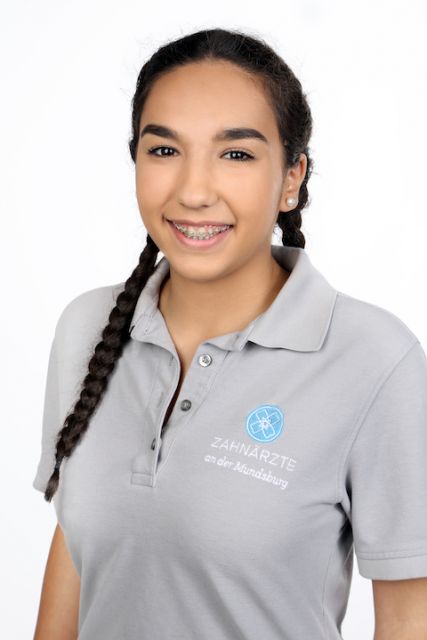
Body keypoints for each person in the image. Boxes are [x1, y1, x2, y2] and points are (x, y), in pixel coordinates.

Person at [32, 27, 427, 640]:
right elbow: (79, 543)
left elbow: (409, 620)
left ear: (291, 178)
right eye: (164, 150)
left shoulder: (375, 359)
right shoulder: (87, 326)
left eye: (236, 154)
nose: (193, 191)